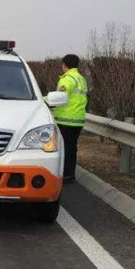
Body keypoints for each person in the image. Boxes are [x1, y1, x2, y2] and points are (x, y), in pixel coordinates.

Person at [53, 54, 88, 184]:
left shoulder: (67, 79)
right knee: (71, 148)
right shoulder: (81, 79)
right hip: (78, 119)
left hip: (66, 119)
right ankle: (70, 174)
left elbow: (59, 97)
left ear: (64, 65)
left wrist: (43, 100)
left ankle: (66, 175)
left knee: (65, 148)